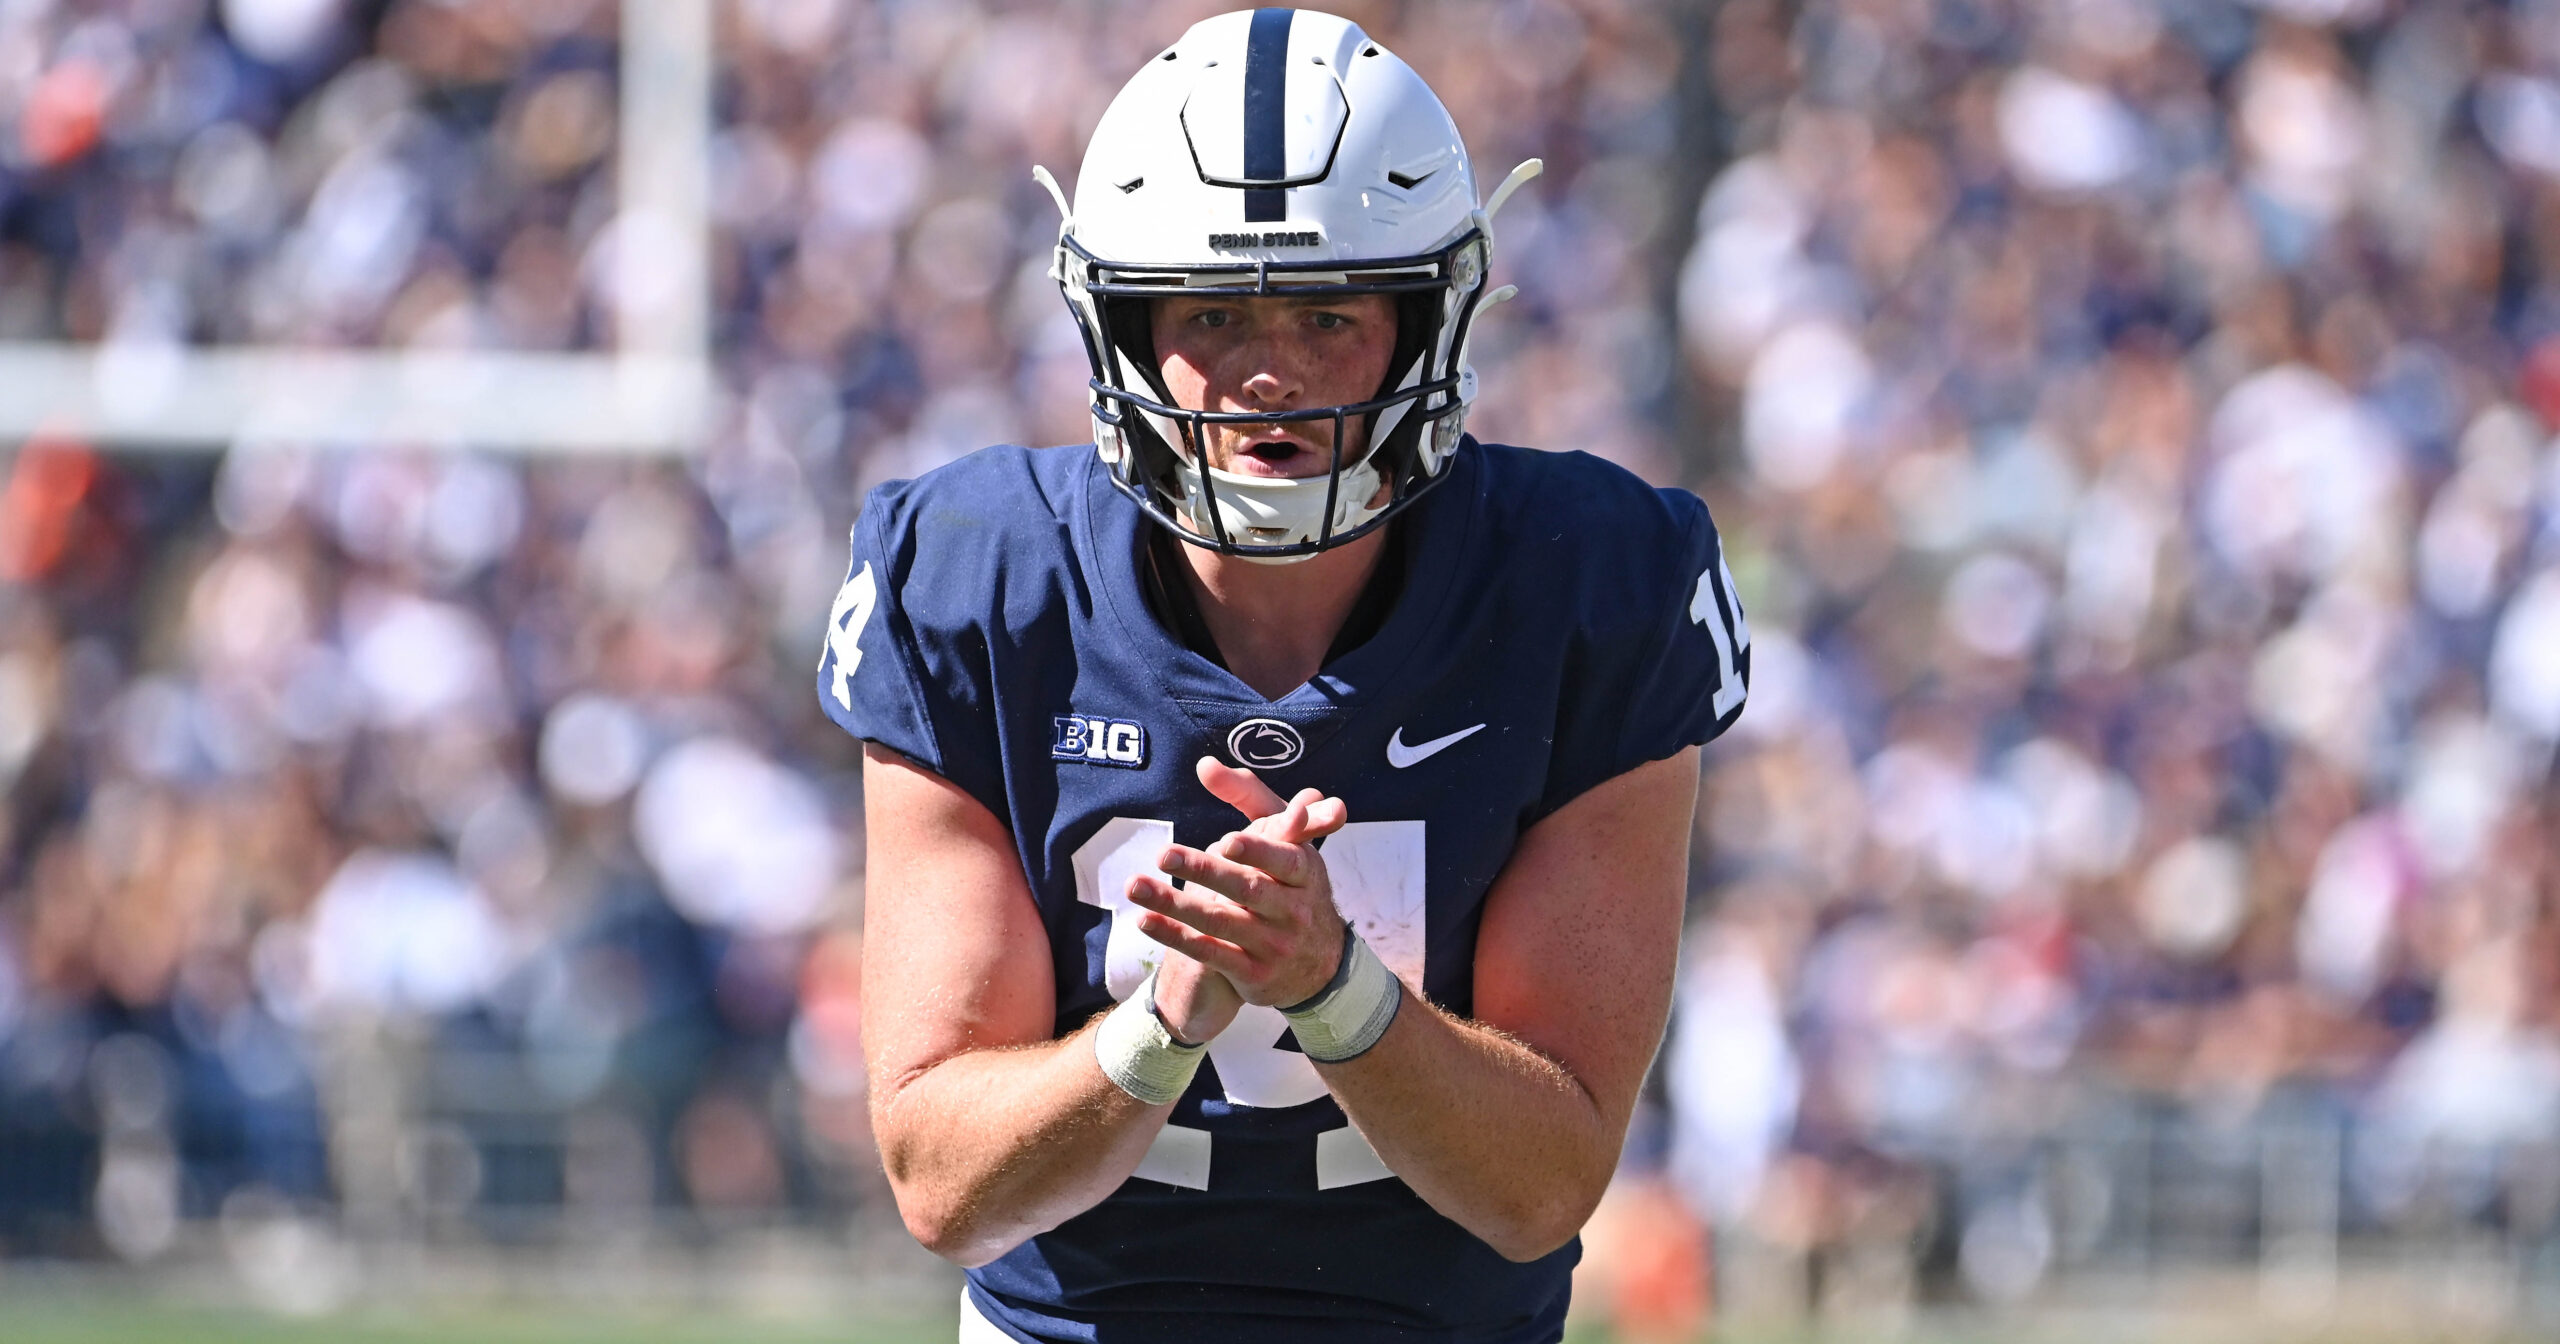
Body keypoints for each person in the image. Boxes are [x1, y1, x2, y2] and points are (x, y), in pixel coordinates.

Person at [818, 10, 1750, 1341]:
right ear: (1123, 331)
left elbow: (1544, 1187)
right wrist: (1165, 1021)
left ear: (1430, 317)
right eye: (1212, 313)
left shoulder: (1591, 577)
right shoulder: (979, 575)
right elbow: (943, 1185)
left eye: (1328, 315)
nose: (1270, 374)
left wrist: (1333, 984)